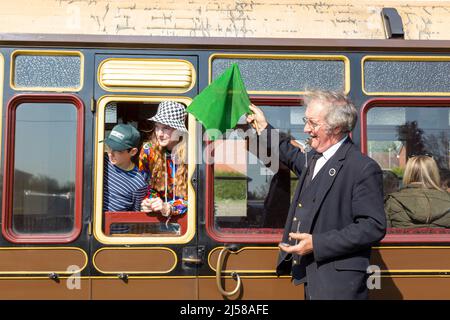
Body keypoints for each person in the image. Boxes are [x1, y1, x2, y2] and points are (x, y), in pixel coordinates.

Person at [246, 90, 386, 300]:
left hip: (339, 285)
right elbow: (289, 153)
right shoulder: (315, 158)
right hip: (313, 276)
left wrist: (317, 244)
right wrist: (264, 127)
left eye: (312, 123)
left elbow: (372, 226)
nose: (306, 129)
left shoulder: (363, 168)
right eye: (306, 121)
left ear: (336, 128)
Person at [139, 101, 188, 218]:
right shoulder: (148, 151)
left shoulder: (191, 153)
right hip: (158, 218)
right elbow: (147, 187)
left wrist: (170, 207)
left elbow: (197, 197)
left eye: (166, 128)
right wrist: (149, 202)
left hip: (188, 220)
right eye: (157, 127)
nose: (159, 133)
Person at [385, 156, 450, 228]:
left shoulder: (393, 200)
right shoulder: (448, 198)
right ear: (435, 174)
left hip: (405, 239)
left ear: (408, 173)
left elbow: (385, 232)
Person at [102, 123, 148, 213]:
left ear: (133, 152)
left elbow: (134, 217)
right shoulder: (102, 160)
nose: (110, 153)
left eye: (118, 150)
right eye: (109, 147)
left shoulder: (139, 184)